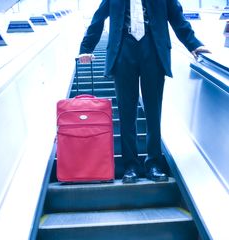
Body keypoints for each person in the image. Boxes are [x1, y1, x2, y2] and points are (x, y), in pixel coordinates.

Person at [78, 0, 210, 184]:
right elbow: (98, 19)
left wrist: (193, 44)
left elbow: (177, 17)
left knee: (153, 112)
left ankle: (154, 164)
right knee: (126, 113)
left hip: (153, 50)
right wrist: (86, 48)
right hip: (122, 51)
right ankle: (130, 166)